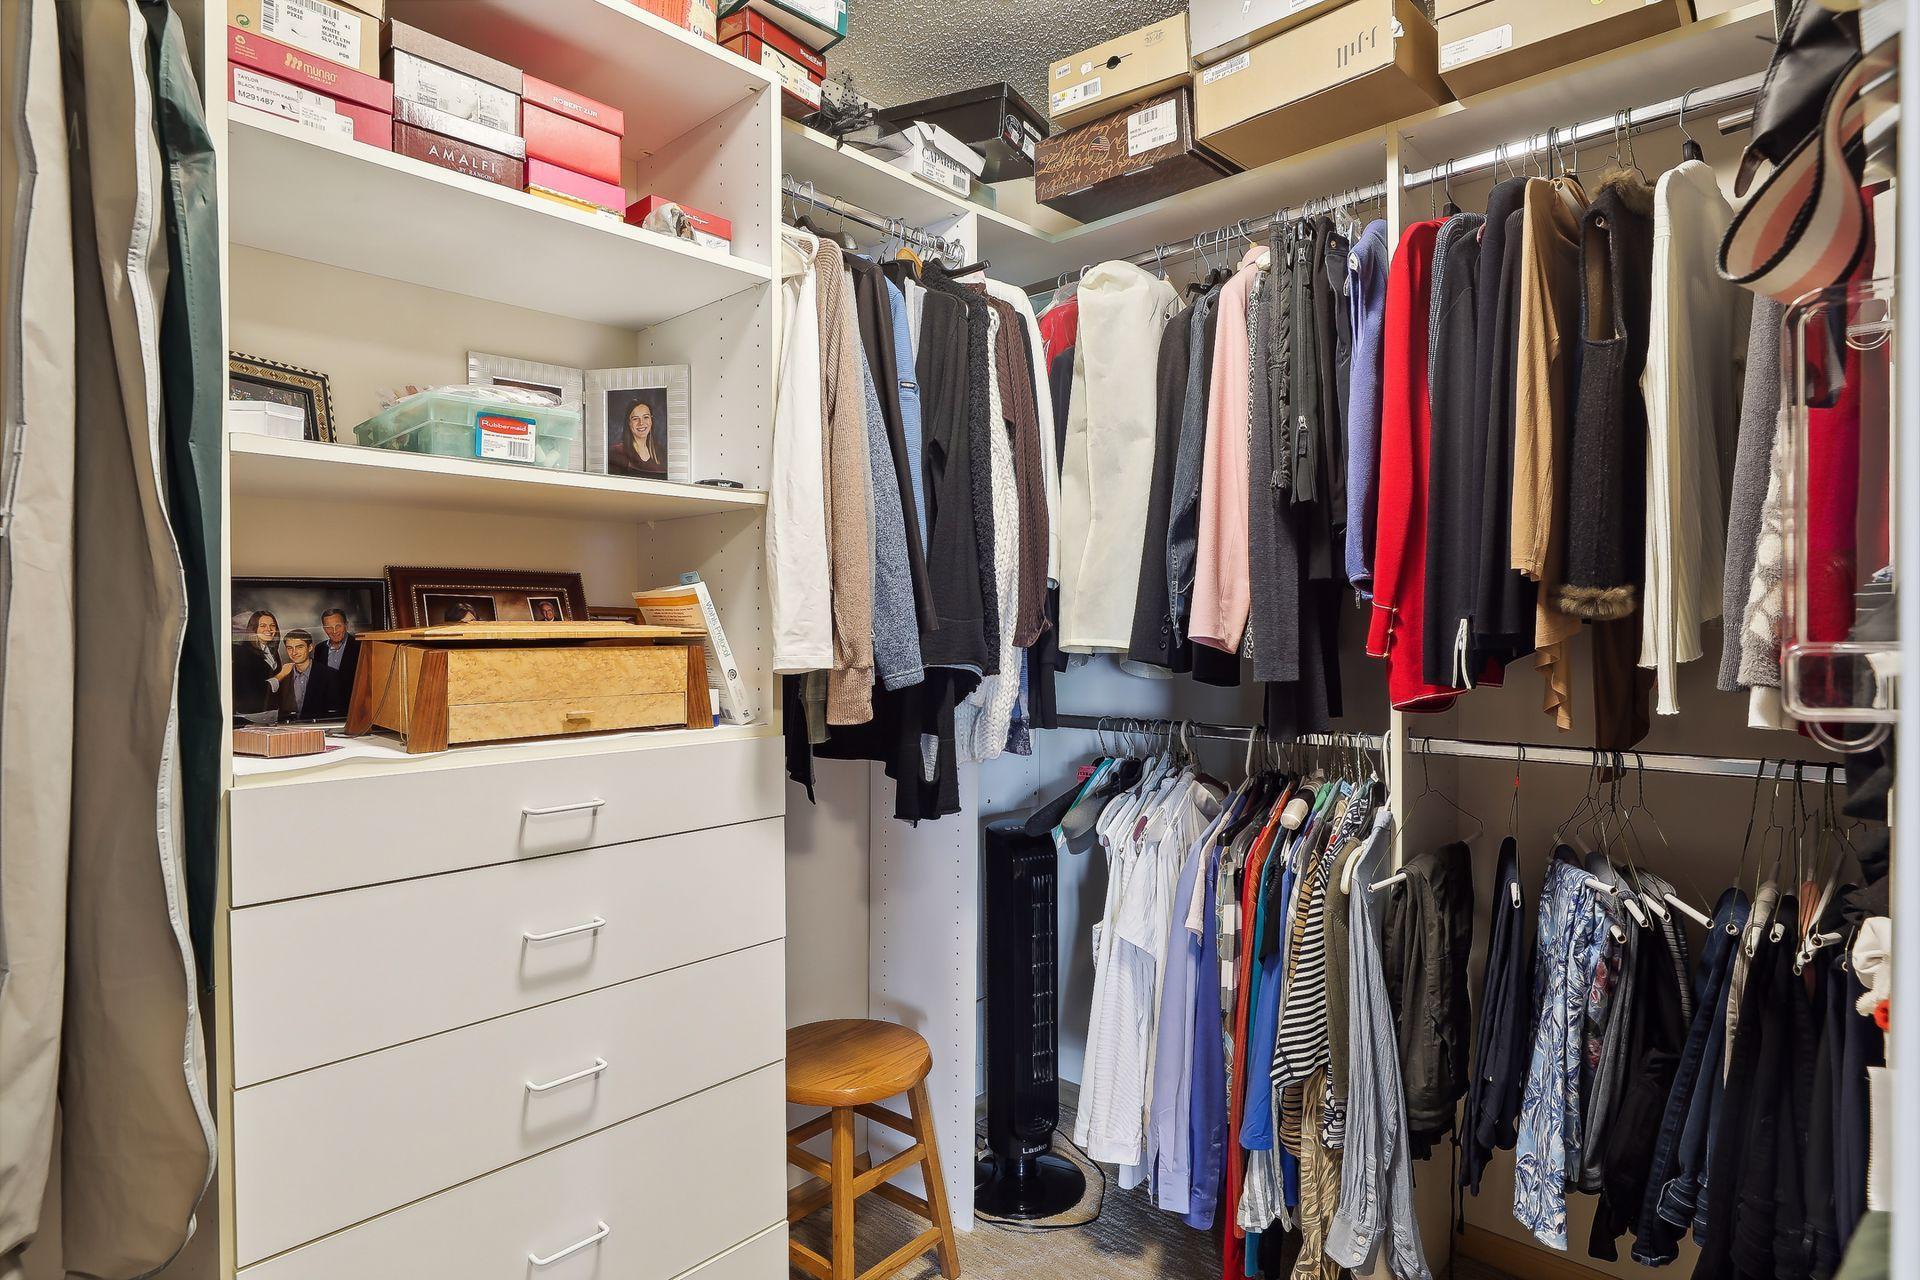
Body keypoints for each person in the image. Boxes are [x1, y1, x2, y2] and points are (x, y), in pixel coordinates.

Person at [275, 630, 340, 722]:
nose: (294, 652)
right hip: (288, 731)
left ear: (310, 648)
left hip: (319, 730)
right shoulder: (283, 675)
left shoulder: (329, 675)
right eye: (289, 648)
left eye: (299, 647)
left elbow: (335, 713)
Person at [231, 609, 283, 717]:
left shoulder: (273, 652)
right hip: (251, 715)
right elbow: (251, 690)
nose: (269, 629)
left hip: (270, 713)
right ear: (254, 629)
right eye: (263, 626)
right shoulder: (242, 653)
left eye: (272, 625)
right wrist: (280, 676)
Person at [314, 607, 360, 716]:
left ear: (346, 625)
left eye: (338, 626)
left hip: (353, 709)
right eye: (329, 627)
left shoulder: (360, 646)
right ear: (324, 628)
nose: (334, 631)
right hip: (326, 711)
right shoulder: (320, 649)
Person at [608, 396, 666, 478]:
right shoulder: (617, 453)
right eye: (635, 419)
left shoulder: (661, 453)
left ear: (651, 420)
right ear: (629, 423)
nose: (641, 423)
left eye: (646, 417)